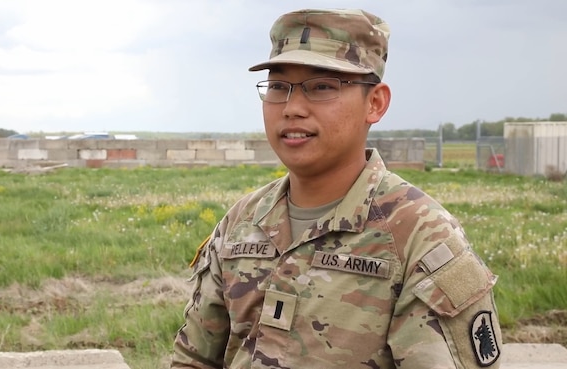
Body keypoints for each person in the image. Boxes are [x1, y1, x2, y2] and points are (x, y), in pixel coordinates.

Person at [171, 8, 502, 369]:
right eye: (279, 87)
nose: (292, 108)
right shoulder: (241, 221)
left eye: (322, 87)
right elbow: (194, 359)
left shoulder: (422, 237)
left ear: (374, 103)